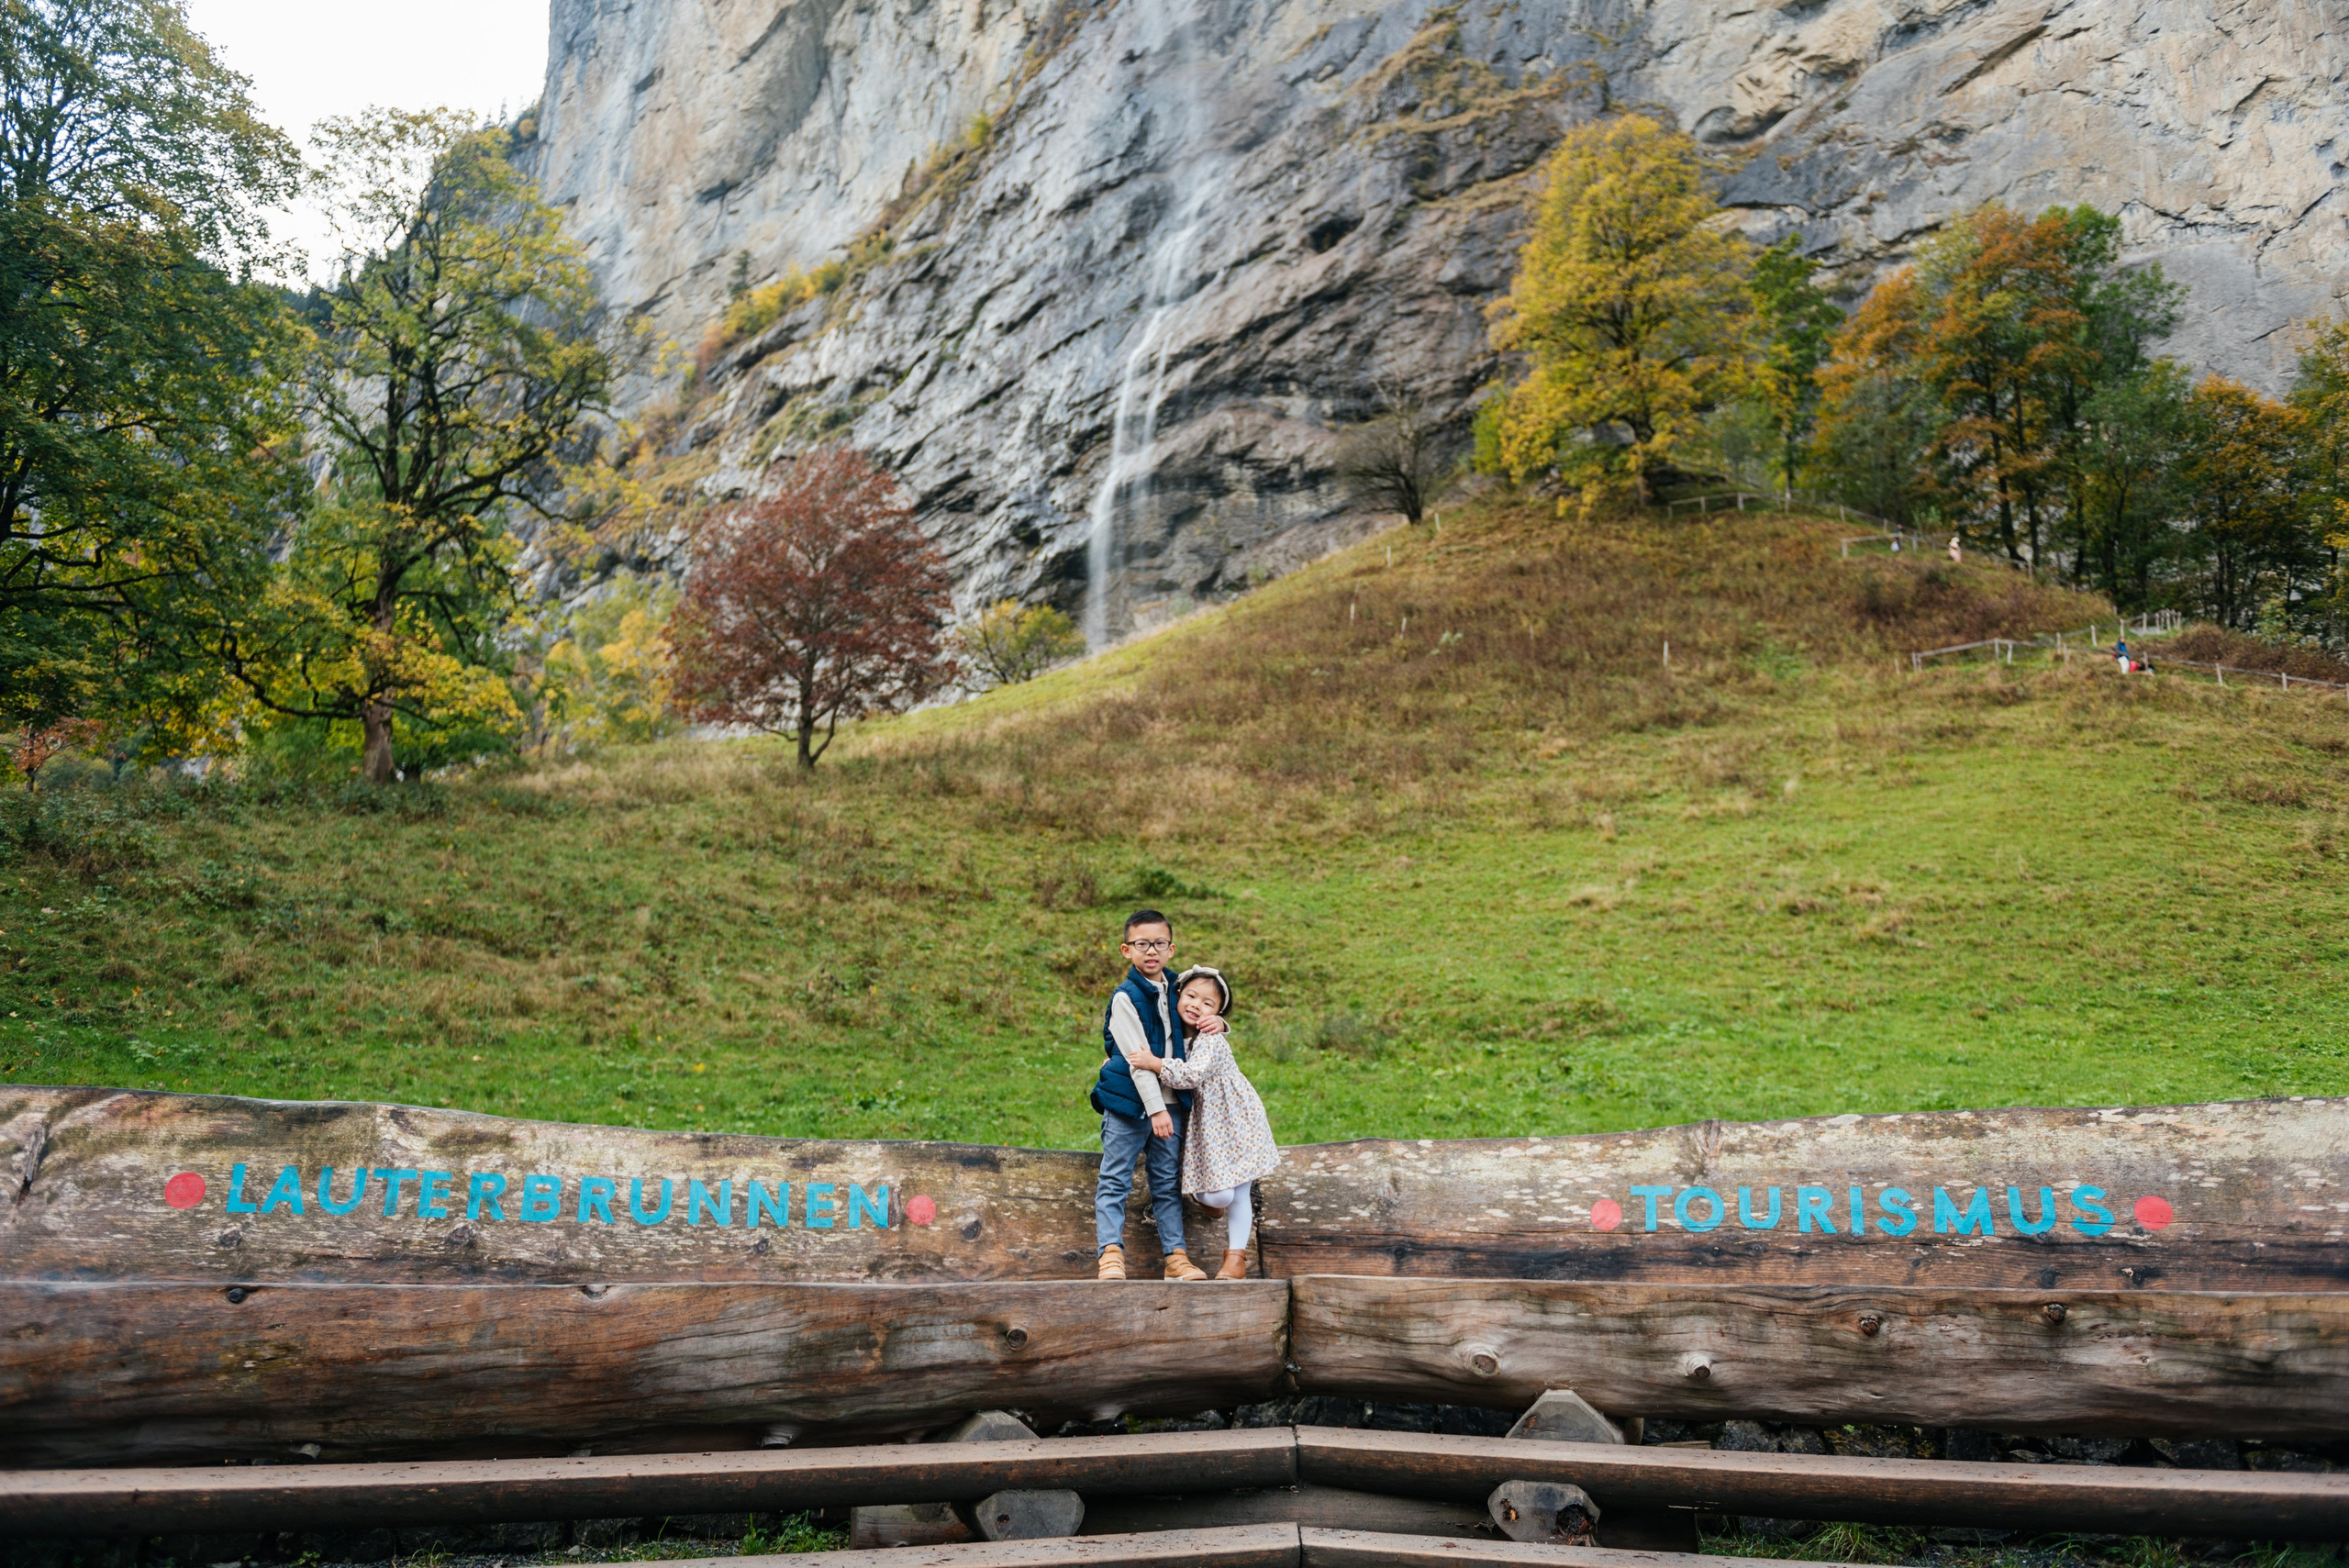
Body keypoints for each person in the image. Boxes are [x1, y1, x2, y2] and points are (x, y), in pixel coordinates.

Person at [1127, 964, 1279, 1281]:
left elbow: (1191, 1075)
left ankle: (1235, 1259)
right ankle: (1203, 1199)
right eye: (1191, 996)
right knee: (1219, 1196)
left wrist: (1155, 1064)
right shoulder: (1175, 1035)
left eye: (1208, 1004)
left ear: (1218, 1011)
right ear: (1178, 995)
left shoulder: (1209, 1038)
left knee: (1238, 1192)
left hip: (1238, 1119)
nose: (1197, 1005)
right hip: (1209, 1124)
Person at [1089, 909, 1207, 1281]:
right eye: (1142, 944)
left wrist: (1220, 1022)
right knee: (1115, 1178)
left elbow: (1206, 1010)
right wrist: (1156, 1109)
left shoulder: (1179, 991)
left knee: (1167, 1185)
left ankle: (1175, 1258)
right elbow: (1137, 1061)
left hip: (1172, 1105)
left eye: (1158, 943)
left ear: (1171, 949)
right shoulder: (1125, 998)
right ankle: (1110, 1253)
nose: (1151, 951)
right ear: (1127, 950)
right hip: (1132, 1106)